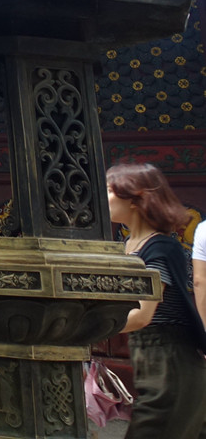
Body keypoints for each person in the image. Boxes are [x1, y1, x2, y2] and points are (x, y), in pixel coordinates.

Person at [107, 162, 206, 438]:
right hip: (150, 360)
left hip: (172, 360)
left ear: (135, 199)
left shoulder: (161, 247)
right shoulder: (127, 247)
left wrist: (86, 329)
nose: (103, 198)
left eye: (109, 190)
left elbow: (142, 314)